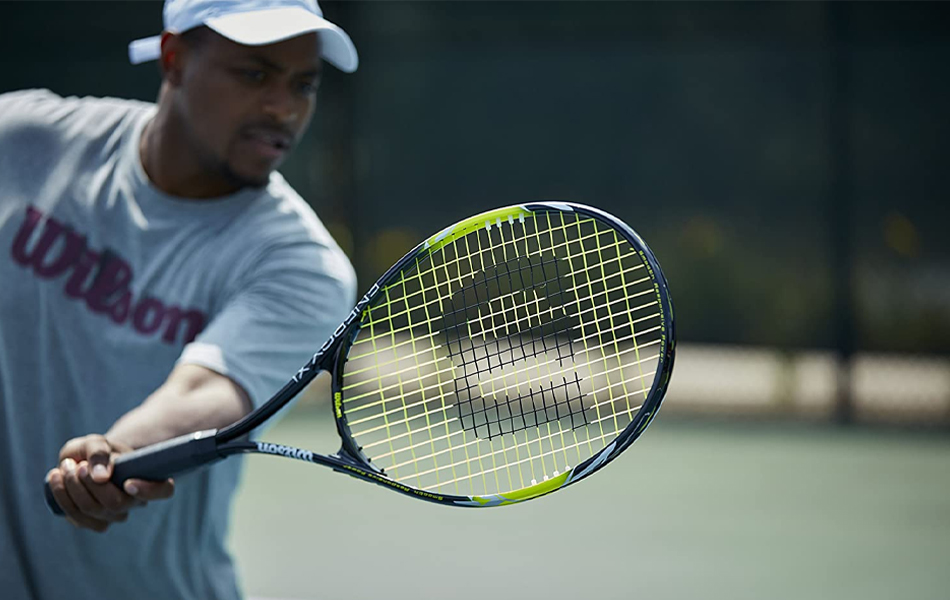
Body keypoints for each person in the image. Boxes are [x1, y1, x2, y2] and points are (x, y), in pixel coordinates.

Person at [0, 1, 358, 598]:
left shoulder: (303, 265)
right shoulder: (22, 142)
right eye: (254, 74)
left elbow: (207, 391)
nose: (284, 108)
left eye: (304, 84)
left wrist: (119, 451)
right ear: (174, 58)